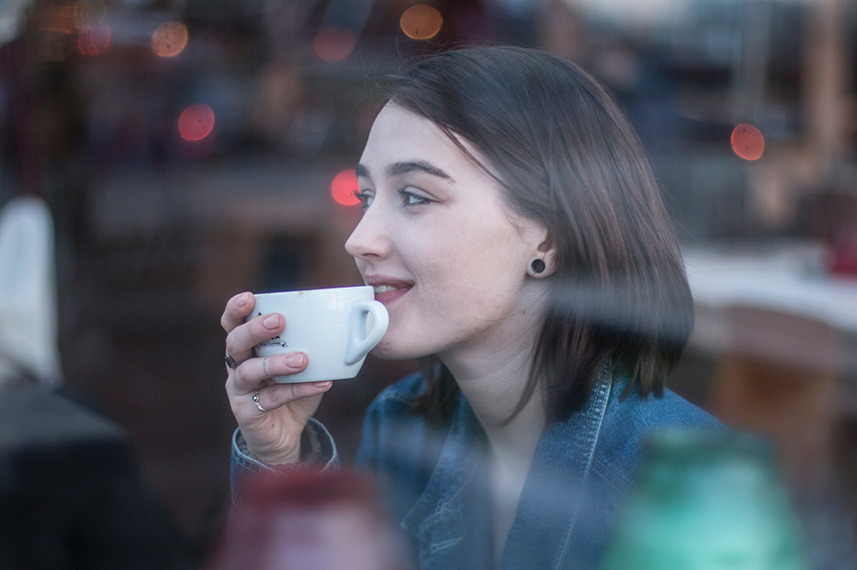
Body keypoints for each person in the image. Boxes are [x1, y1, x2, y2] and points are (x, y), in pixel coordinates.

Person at [222, 46, 722, 570]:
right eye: (366, 197)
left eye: (414, 196)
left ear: (547, 238)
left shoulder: (685, 488)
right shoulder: (401, 428)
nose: (359, 239)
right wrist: (279, 461)